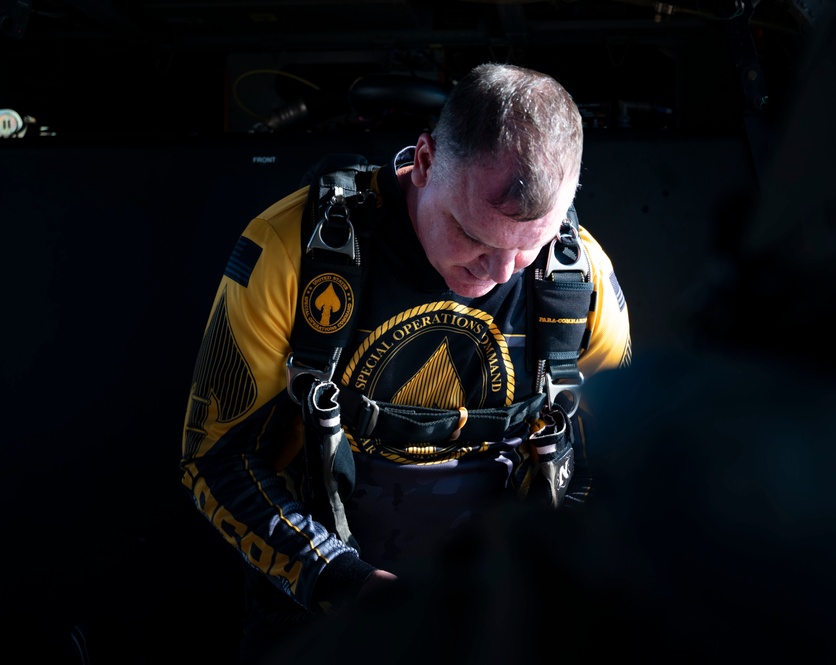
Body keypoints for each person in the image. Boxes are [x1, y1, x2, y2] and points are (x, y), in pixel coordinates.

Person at [179, 62, 631, 663]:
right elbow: (213, 456)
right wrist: (345, 582)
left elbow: (627, 458)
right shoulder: (294, 250)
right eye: (473, 235)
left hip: (505, 609)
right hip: (321, 599)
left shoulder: (580, 281)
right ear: (422, 161)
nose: (498, 273)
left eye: (529, 246)